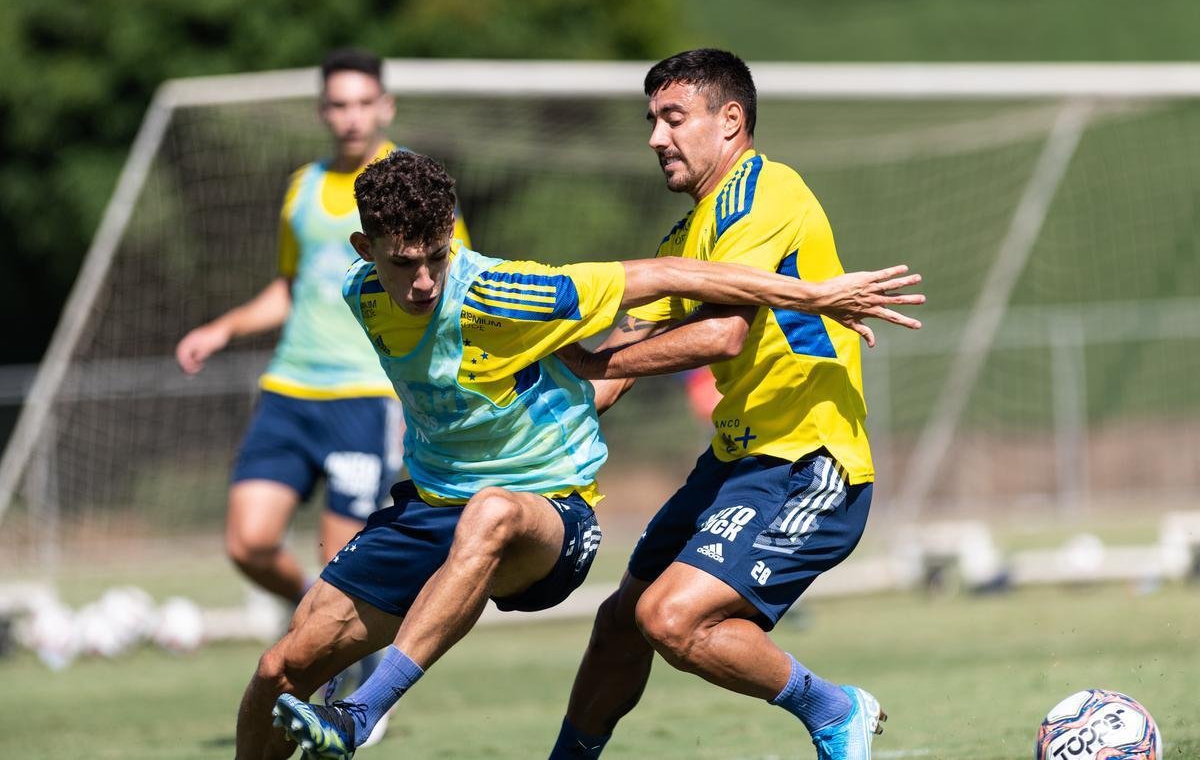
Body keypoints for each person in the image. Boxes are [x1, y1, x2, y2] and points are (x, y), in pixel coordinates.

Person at [234, 150, 922, 759]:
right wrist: (586, 383)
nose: (422, 283)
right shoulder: (360, 294)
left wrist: (813, 295)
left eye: (436, 258)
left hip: (549, 514)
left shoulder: (501, 292)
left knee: (501, 517)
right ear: (364, 249)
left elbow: (663, 276)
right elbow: (613, 348)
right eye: (401, 263)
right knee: (277, 673)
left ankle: (359, 714)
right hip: (430, 508)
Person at [545, 49, 894, 760]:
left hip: (807, 459)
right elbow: (624, 352)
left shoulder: (760, 195)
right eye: (652, 121)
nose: (656, 137)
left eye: (673, 118)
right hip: (736, 462)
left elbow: (721, 334)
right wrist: (534, 438)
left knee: (669, 619)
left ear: (730, 120)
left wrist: (588, 361)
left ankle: (834, 709)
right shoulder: (688, 233)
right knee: (621, 622)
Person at [176, 48, 468, 746]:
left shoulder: (412, 187)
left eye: (363, 103)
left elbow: (450, 280)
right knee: (248, 542)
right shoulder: (303, 188)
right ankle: (323, 626)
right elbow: (291, 287)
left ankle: (346, 702)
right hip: (288, 388)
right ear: (322, 111)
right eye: (338, 105)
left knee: (347, 567)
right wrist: (222, 327)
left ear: (385, 106)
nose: (351, 117)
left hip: (362, 396)